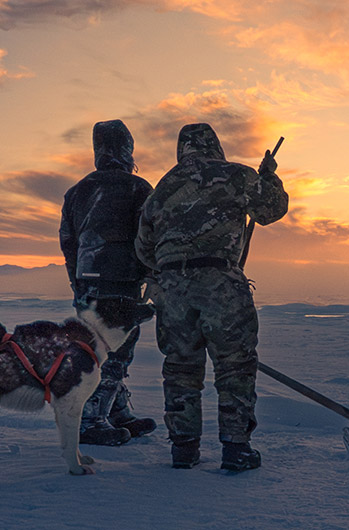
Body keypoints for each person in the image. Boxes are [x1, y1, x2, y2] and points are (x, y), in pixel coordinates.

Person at [136, 123, 287, 471]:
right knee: (234, 364)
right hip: (221, 284)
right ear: (214, 145)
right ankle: (236, 448)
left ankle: (184, 449)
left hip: (173, 290)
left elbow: (144, 249)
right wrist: (269, 179)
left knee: (180, 367)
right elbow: (271, 210)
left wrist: (173, 267)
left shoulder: (162, 189)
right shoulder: (236, 175)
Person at [59, 120, 157, 446]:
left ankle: (114, 410)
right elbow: (150, 236)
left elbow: (68, 241)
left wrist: (77, 281)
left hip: (87, 283)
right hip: (122, 281)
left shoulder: (78, 191)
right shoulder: (138, 188)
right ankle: (91, 419)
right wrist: (151, 273)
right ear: (128, 149)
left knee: (97, 348)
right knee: (116, 351)